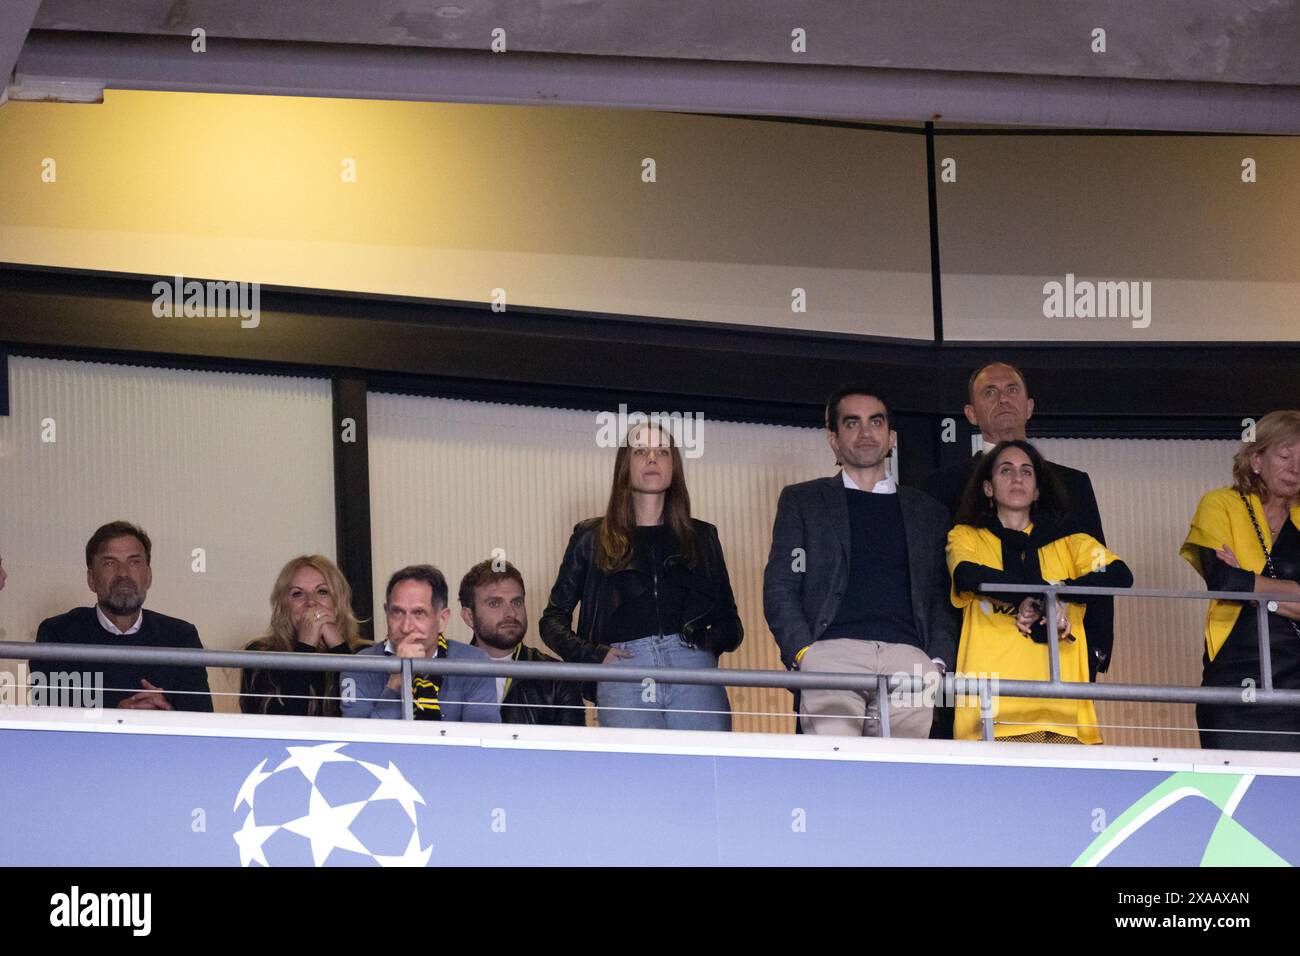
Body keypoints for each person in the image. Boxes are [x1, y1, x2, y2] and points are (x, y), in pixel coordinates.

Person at [763, 386, 959, 737]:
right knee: (834, 780)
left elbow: (942, 595)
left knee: (901, 782)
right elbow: (780, 586)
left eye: (876, 422)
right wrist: (805, 654)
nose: (866, 432)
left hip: (910, 661)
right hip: (830, 656)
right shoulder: (803, 500)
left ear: (892, 437)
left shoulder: (929, 511)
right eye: (852, 423)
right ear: (833, 440)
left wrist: (937, 662)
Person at [540, 421, 743, 731]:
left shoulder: (702, 537)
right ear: (625, 464)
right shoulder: (591, 537)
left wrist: (703, 645)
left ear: (674, 466)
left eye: (662, 451)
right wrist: (595, 656)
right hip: (624, 669)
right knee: (634, 775)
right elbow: (552, 620)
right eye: (640, 452)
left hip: (692, 668)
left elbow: (732, 624)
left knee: (704, 770)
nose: (652, 459)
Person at [921, 362, 1115, 681]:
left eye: (1012, 390)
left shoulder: (1071, 483)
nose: (1003, 399)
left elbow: (1098, 566)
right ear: (970, 414)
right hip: (972, 649)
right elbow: (935, 575)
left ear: (1028, 407)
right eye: (990, 392)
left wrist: (1097, 646)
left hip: (1060, 646)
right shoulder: (941, 485)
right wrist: (938, 650)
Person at [947, 440, 1132, 743]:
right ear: (988, 488)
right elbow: (968, 574)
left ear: (1036, 491)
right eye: (1005, 470)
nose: (1017, 478)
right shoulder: (966, 536)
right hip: (992, 714)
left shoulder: (1072, 542)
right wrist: (1033, 598)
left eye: (1026, 472)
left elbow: (1119, 574)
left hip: (1064, 714)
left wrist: (1057, 593)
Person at [1180, 410, 1300, 751]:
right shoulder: (1221, 504)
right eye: (1285, 455)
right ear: (1256, 459)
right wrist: (1291, 596)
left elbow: (1241, 584)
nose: (1295, 467)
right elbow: (1224, 581)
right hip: (1236, 679)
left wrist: (1254, 586)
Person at [34, 521, 213, 712]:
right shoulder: (58, 633)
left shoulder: (181, 637)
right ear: (91, 579)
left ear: (148, 576)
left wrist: (165, 710)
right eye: (110, 563)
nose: (123, 574)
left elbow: (202, 717)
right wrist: (118, 712)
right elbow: (50, 714)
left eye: (134, 562)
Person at [341, 564, 500, 722]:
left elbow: (481, 738)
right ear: (386, 612)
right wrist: (396, 682)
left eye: (419, 613)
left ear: (442, 619)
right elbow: (359, 742)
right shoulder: (357, 667)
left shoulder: (475, 664)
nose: (406, 627)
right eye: (397, 612)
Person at [459, 559, 585, 726]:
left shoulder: (558, 678)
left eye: (517, 602)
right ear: (469, 617)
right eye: (494, 603)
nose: (510, 613)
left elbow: (572, 750)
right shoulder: (443, 676)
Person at [239, 555, 365, 716]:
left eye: (322, 592)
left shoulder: (365, 653)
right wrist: (305, 646)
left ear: (338, 601)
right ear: (284, 605)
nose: (311, 602)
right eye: (297, 594)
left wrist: (338, 646)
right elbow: (284, 722)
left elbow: (361, 714)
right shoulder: (261, 655)